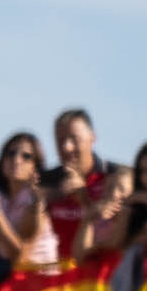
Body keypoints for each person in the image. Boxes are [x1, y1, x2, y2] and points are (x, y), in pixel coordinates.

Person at [0, 131, 58, 269]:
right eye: (10, 153)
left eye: (26, 156)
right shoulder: (0, 198)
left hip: (42, 284)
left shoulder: (37, 200)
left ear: (35, 166)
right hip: (16, 285)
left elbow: (19, 255)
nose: (16, 160)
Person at [43, 109, 116, 257]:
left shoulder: (114, 176)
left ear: (92, 138)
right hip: (56, 276)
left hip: (100, 275)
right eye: (60, 140)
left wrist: (84, 198)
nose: (67, 147)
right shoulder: (46, 181)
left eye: (74, 139)